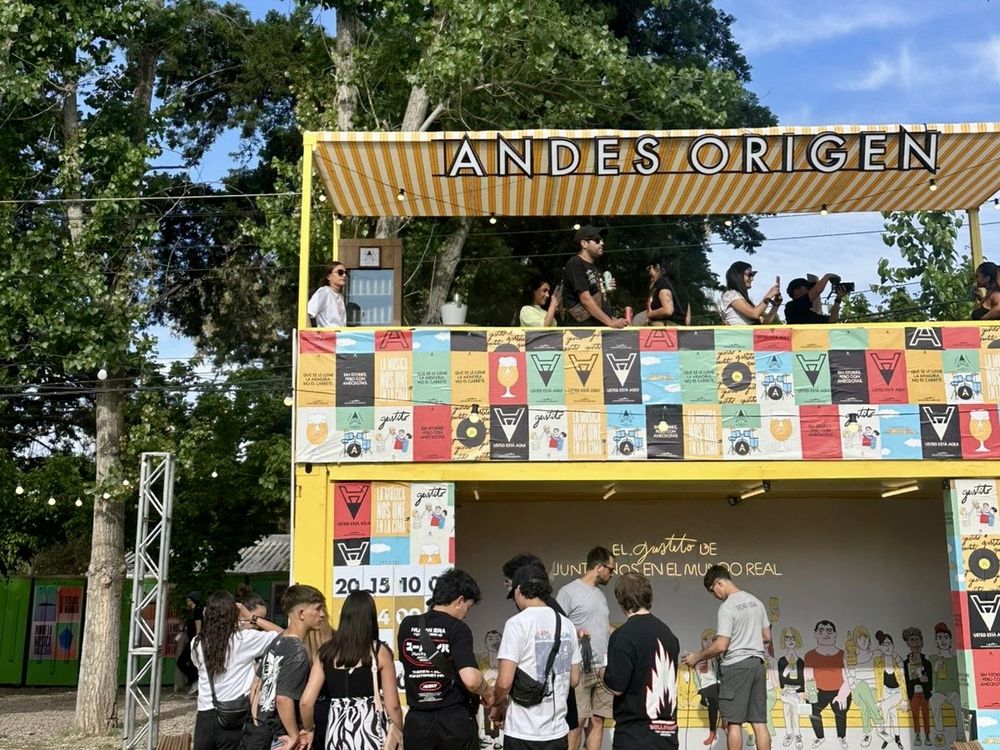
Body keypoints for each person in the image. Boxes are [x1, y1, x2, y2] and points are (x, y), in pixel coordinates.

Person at [398, 568, 495, 750]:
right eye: (468, 606)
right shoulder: (458, 628)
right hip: (453, 723)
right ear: (459, 601)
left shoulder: (407, 625)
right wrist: (488, 693)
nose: (466, 613)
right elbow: (472, 680)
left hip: (417, 723)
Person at [491, 564, 581, 750]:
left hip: (522, 732)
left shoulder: (516, 624)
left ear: (518, 590)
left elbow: (504, 682)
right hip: (557, 733)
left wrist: (497, 703)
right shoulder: (566, 624)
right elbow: (574, 679)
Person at [299, 590, 402, 750]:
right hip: (371, 735)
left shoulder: (326, 652)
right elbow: (393, 705)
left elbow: (306, 702)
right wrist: (398, 734)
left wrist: (309, 729)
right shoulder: (379, 652)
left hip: (336, 735)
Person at [683, 564, 771, 750]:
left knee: (734, 722)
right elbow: (766, 637)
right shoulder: (756, 602)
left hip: (736, 666)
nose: (714, 595)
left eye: (712, 591)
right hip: (757, 665)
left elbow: (721, 645)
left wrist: (697, 657)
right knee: (759, 722)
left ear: (718, 583)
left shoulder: (727, 606)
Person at [191, 591, 282, 750]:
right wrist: (253, 618)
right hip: (234, 715)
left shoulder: (196, 643)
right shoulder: (244, 640)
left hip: (205, 716)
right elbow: (285, 636)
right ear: (234, 614)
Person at [242, 584, 328, 750]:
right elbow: (283, 699)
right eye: (318, 609)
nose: (322, 615)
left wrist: (257, 724)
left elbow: (255, 686)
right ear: (301, 614)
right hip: (280, 737)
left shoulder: (277, 641)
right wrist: (295, 736)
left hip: (259, 732)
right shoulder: (298, 652)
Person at [602, 572, 680, 750]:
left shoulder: (623, 636)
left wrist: (601, 671)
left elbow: (616, 686)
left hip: (634, 735)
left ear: (621, 599)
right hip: (667, 734)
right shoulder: (668, 634)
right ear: (648, 595)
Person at [556, 547, 616, 750]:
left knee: (598, 719)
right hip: (579, 668)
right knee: (578, 720)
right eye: (610, 569)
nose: (611, 574)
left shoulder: (600, 595)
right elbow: (557, 626)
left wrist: (618, 633)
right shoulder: (568, 592)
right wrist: (576, 633)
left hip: (602, 667)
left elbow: (601, 625)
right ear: (599, 567)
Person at [560, 225, 626, 328]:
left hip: (595, 328)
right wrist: (610, 322)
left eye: (602, 240)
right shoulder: (575, 263)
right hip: (583, 331)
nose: (602, 243)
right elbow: (585, 299)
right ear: (584, 243)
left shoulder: (593, 267)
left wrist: (612, 317)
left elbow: (596, 300)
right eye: (597, 240)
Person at [802, 621, 851, 750]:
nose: (825, 634)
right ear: (815, 634)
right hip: (819, 691)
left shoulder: (843, 654)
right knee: (812, 710)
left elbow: (849, 679)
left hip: (839, 690)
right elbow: (808, 677)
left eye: (829, 631)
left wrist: (842, 694)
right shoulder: (810, 655)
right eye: (821, 631)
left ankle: (842, 737)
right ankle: (820, 737)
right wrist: (811, 694)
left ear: (835, 634)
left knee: (841, 709)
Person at [873, 631, 906, 750]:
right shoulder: (878, 661)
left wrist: (904, 699)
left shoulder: (897, 660)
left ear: (893, 645)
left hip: (897, 692)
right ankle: (896, 738)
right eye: (884, 644)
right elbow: (878, 680)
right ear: (880, 647)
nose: (887, 647)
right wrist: (878, 698)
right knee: (893, 713)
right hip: (886, 691)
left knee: (885, 706)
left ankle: (882, 731)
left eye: (889, 643)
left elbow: (903, 681)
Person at [902, 627, 933, 747]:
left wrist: (922, 680)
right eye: (912, 640)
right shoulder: (906, 663)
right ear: (908, 643)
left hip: (924, 693)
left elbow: (930, 682)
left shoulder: (927, 663)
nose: (916, 643)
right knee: (915, 715)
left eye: (918, 640)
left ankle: (928, 735)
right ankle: (917, 734)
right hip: (913, 694)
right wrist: (919, 679)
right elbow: (907, 681)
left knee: (926, 714)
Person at [777, 627, 805, 750]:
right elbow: (781, 681)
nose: (790, 640)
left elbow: (802, 679)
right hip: (786, 691)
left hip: (797, 692)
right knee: (786, 711)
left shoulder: (800, 661)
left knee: (795, 712)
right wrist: (786, 670)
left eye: (793, 637)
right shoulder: (781, 661)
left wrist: (802, 693)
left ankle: (798, 735)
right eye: (787, 638)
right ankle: (789, 734)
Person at [646, 256, 691, 326]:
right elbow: (687, 320)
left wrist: (650, 314)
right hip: (681, 332)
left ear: (657, 267)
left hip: (664, 332)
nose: (649, 273)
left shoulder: (662, 283)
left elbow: (668, 310)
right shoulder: (682, 288)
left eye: (649, 268)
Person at [178, 592, 204, 694]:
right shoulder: (193, 611)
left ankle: (195, 679)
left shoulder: (197, 611)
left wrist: (197, 639)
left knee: (182, 661)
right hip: (191, 640)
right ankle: (194, 680)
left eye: (188, 600)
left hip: (194, 641)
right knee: (189, 661)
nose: (186, 601)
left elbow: (198, 626)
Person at [307, 262, 348, 327]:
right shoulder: (324, 292)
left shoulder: (340, 296)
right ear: (329, 276)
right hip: (328, 335)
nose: (344, 275)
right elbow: (308, 313)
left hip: (340, 335)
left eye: (346, 273)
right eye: (340, 272)